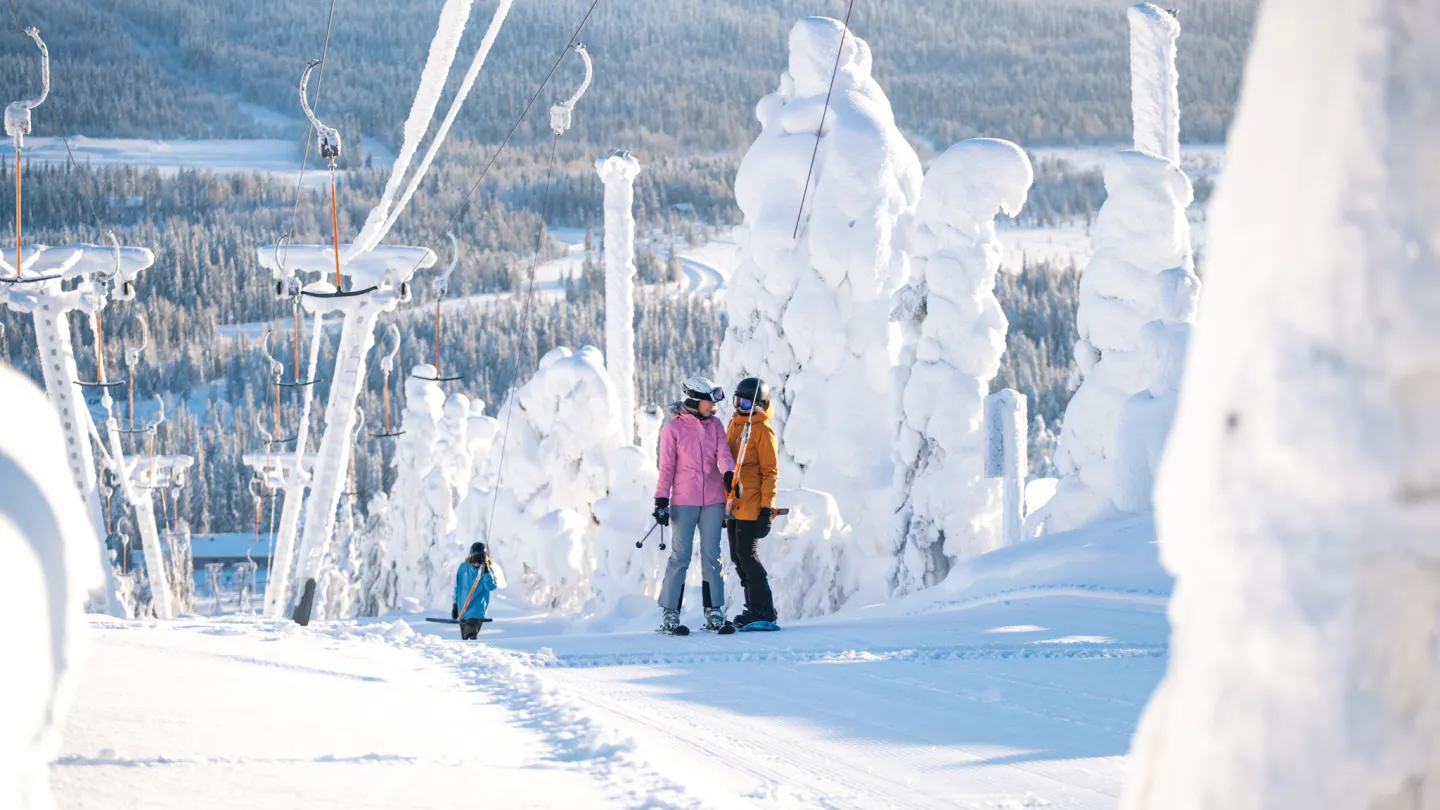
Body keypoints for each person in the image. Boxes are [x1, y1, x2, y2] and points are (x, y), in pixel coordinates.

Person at [654, 375, 736, 634]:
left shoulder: (716, 426)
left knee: (713, 556)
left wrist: (729, 472)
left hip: (713, 499)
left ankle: (714, 612)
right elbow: (666, 467)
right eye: (709, 402)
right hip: (684, 501)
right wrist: (661, 500)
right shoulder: (673, 429)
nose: (713, 407)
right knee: (681, 556)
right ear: (694, 401)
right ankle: (670, 613)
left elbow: (723, 454)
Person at [725, 377, 780, 627]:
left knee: (747, 555)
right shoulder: (734, 424)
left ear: (759, 404)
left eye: (746, 402)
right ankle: (753, 608)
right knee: (738, 558)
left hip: (752, 503)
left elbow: (770, 472)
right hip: (732, 503)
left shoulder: (763, 431)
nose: (740, 407)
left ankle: (764, 609)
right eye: (738, 401)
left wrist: (766, 510)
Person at [451, 541, 496, 640]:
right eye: (475, 558)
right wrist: (455, 605)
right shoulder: (463, 568)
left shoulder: (486, 571)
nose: (477, 562)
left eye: (480, 559)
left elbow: (491, 586)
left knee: (470, 637)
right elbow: (457, 586)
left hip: (477, 612)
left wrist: (486, 573)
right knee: (465, 642)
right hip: (463, 612)